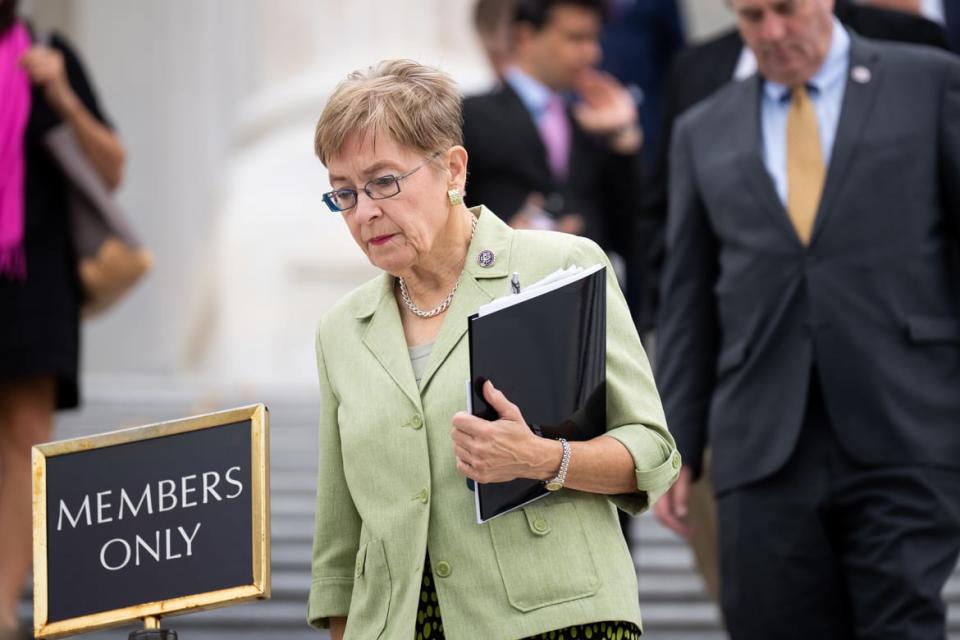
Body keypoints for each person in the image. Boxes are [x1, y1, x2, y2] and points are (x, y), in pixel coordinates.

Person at [307, 59, 679, 640]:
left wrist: (543, 460)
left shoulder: (560, 266)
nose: (366, 212)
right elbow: (340, 544)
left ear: (452, 169)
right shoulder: (340, 329)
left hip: (559, 621)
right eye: (344, 194)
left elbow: (652, 450)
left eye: (384, 182)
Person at [655, 0, 960, 637]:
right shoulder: (702, 127)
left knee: (901, 624)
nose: (771, 33)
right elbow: (687, 296)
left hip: (903, 420)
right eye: (751, 17)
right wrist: (675, 440)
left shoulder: (928, 81)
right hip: (761, 443)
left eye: (787, 11)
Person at [0, 2, 124, 636]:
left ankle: (2, 607)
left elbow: (112, 169)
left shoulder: (47, 55)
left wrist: (63, 96)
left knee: (26, 440)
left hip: (35, 281)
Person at [461, 0, 643, 268]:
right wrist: (494, 241)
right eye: (576, 38)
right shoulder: (471, 115)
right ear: (524, 37)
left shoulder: (590, 120)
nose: (592, 53)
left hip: (588, 293)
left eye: (594, 38)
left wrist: (623, 138)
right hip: (507, 293)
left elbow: (632, 233)